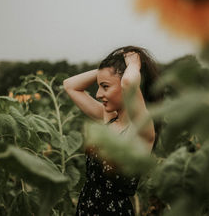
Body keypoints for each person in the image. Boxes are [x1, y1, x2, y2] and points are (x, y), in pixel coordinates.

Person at [63, 46, 161, 216]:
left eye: (105, 87)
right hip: (86, 209)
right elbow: (70, 85)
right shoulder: (108, 118)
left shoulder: (141, 130)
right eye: (99, 86)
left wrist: (134, 64)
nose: (99, 94)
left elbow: (129, 82)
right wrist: (107, 72)